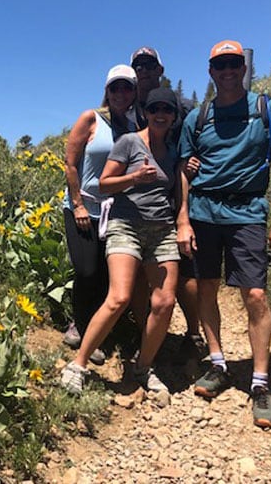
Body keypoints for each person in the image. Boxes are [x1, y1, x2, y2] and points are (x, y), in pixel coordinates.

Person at [176, 40, 271, 428]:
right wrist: (183, 218)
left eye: (233, 64)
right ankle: (218, 362)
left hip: (247, 210)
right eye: (219, 65)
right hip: (204, 211)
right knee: (206, 286)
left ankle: (261, 382)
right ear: (210, 71)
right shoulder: (200, 116)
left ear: (243, 68)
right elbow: (184, 168)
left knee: (255, 294)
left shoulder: (266, 109)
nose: (227, 71)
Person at [61, 87, 184, 396]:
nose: (159, 114)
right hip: (126, 224)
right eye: (154, 108)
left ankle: (144, 366)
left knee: (165, 302)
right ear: (147, 112)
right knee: (119, 297)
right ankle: (78, 364)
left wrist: (182, 220)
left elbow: (179, 188)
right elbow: (104, 182)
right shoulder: (129, 142)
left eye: (166, 110)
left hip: (161, 230)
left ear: (173, 116)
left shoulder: (173, 149)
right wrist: (133, 178)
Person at [129, 47, 205, 362]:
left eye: (149, 65)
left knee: (187, 271)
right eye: (138, 66)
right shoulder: (126, 108)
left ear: (160, 68)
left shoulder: (184, 108)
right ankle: (140, 335)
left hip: (180, 199)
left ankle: (193, 334)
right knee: (136, 273)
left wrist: (193, 162)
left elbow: (199, 142)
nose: (143, 70)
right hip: (140, 203)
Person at [62, 64, 138, 366]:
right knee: (87, 270)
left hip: (115, 210)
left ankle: (96, 333)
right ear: (107, 91)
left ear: (133, 93)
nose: (121, 93)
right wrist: (78, 203)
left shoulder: (131, 128)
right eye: (115, 87)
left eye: (127, 88)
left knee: (107, 275)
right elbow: (70, 164)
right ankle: (78, 324)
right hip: (83, 208)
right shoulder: (91, 119)